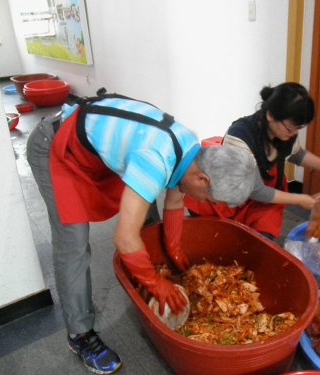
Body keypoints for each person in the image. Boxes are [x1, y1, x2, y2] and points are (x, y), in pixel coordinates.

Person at [26, 89, 256, 374]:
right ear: (202, 177)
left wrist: (174, 248)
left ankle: (147, 276)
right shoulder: (156, 158)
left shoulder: (191, 150)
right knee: (73, 243)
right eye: (210, 197)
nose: (207, 203)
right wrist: (156, 283)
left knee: (147, 215)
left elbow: (175, 197)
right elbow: (123, 238)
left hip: (92, 145)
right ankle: (80, 335)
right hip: (56, 147)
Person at [184, 82, 320, 240]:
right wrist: (300, 199)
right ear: (270, 115)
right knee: (216, 235)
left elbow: (296, 154)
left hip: (259, 195)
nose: (293, 134)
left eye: (298, 129)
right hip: (226, 195)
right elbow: (256, 191)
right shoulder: (240, 137)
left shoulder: (284, 132)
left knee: (262, 234)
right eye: (290, 128)